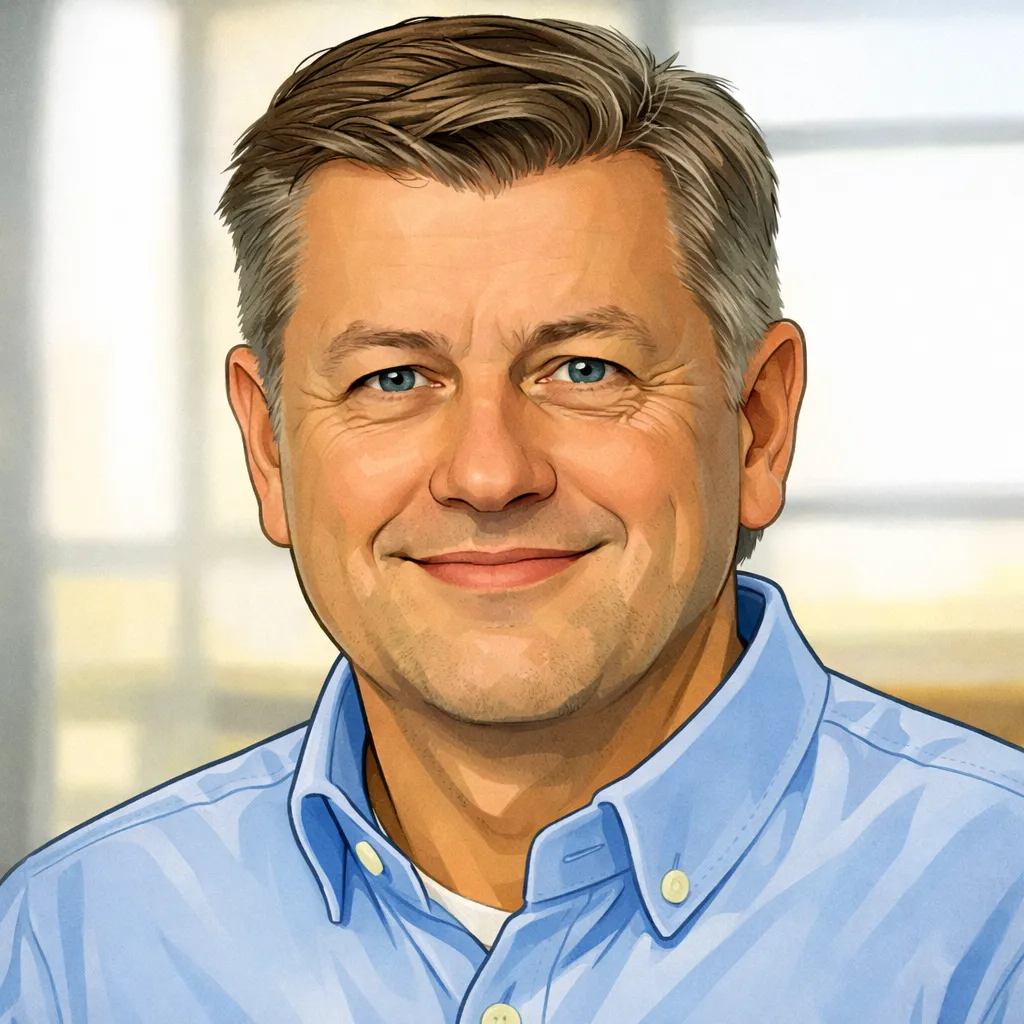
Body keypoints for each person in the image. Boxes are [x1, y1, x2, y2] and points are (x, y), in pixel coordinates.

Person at [2, 15, 1023, 1023]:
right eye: (392, 377)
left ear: (755, 426)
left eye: (584, 369)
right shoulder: (71, 941)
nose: (489, 475)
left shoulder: (994, 907)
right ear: (269, 448)